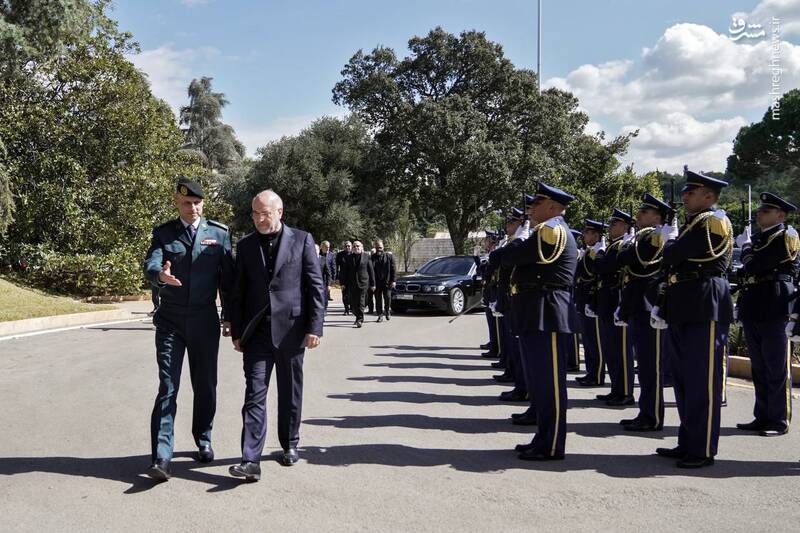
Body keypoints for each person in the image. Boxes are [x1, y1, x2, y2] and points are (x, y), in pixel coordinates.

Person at [228, 189, 325, 482]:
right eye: (255, 213)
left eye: (265, 213)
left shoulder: (302, 240)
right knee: (254, 394)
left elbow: (315, 286)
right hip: (256, 333)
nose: (259, 219)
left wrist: (314, 327)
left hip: (292, 332)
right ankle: (250, 459)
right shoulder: (245, 246)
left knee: (290, 391)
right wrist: (233, 324)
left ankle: (290, 443)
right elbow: (238, 290)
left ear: (279, 212)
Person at [142, 178, 234, 481]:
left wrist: (229, 317)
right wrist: (159, 275)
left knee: (205, 384)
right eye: (185, 203)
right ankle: (162, 456)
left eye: (196, 203)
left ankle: (203, 436)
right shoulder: (164, 233)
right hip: (171, 321)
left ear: (203, 204)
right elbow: (151, 264)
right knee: (168, 386)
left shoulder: (219, 234)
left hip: (204, 320)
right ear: (177, 204)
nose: (191, 208)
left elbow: (228, 281)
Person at [492, 182, 578, 460]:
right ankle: (542, 437)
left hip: (548, 310)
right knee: (540, 382)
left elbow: (512, 257)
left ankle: (551, 444)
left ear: (553, 206)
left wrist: (513, 245)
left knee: (550, 383)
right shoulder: (544, 230)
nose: (531, 207)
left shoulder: (552, 230)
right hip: (537, 309)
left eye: (537, 202)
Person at [655, 169, 733, 468]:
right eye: (685, 191)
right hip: (685, 300)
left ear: (709, 196)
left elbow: (675, 255)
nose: (685, 195)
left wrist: (671, 243)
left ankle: (701, 449)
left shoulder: (712, 220)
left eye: (692, 191)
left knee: (702, 380)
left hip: (704, 300)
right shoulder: (694, 223)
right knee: (684, 379)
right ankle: (687, 441)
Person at [735, 192, 799, 436]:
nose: (759, 213)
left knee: (776, 367)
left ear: (780, 215)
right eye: (760, 210)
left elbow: (756, 264)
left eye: (765, 210)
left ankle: (779, 420)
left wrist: (748, 249)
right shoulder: (762, 238)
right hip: (756, 302)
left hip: (775, 303)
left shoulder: (786, 235)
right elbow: (746, 271)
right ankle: (761, 415)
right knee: (759, 366)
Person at [617, 193, 674, 431]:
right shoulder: (645, 237)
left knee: (652, 367)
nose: (638, 215)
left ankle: (653, 417)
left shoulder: (656, 239)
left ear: (658, 217)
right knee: (646, 366)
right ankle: (646, 413)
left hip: (650, 306)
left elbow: (625, 259)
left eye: (645, 212)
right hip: (638, 306)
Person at [595, 208, 635, 406]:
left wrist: (600, 254)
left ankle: (626, 391)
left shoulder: (622, 245)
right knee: (611, 350)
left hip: (615, 300)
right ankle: (616, 389)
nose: (610, 228)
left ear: (625, 226)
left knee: (621, 350)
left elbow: (602, 267)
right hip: (606, 301)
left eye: (614, 224)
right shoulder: (615, 245)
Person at [575, 219, 607, 387]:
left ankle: (598, 374)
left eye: (588, 232)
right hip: (583, 300)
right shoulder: (589, 251)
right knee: (588, 340)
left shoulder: (599, 251)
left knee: (596, 342)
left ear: (596, 235)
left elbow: (594, 274)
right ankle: (590, 372)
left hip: (592, 300)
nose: (584, 235)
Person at [341, 240, 375, 327]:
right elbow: (344, 271)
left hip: (363, 283)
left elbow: (371, 271)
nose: (356, 248)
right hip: (352, 283)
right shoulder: (348, 258)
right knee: (353, 303)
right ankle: (357, 316)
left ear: (362, 247)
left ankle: (359, 319)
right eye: (354, 246)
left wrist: (373, 284)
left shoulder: (367, 257)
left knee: (361, 301)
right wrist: (343, 283)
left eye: (358, 246)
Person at [371, 239, 396, 322]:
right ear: (375, 247)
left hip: (387, 282)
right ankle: (380, 315)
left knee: (388, 298)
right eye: (377, 247)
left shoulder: (389, 257)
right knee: (378, 300)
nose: (379, 249)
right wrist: (371, 283)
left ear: (383, 247)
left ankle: (387, 311)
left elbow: (393, 269)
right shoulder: (372, 257)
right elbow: (370, 270)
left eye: (380, 247)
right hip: (376, 283)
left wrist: (393, 281)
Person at [336, 241, 352, 314]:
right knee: (344, 293)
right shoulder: (339, 255)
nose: (347, 247)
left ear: (351, 247)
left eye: (349, 246)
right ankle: (346, 309)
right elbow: (336, 266)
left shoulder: (353, 254)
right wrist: (336, 277)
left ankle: (352, 307)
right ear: (344, 247)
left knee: (352, 293)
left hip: (352, 276)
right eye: (346, 246)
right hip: (343, 276)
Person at [319, 240, 336, 309]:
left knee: (326, 291)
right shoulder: (318, 254)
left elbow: (333, 266)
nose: (327, 248)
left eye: (328, 247)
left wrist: (333, 278)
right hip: (321, 276)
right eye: (326, 247)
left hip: (328, 276)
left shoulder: (331, 255)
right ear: (321, 247)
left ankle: (325, 305)